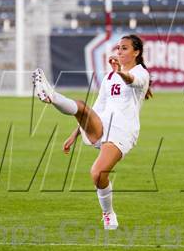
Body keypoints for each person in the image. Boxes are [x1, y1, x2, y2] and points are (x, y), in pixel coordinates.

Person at [33, 34, 152, 230]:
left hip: (123, 131)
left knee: (97, 174)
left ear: (136, 52)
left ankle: (108, 213)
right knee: (82, 106)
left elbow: (133, 81)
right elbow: (96, 110)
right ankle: (50, 96)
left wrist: (120, 72)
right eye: (118, 48)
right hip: (103, 124)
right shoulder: (109, 77)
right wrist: (76, 133)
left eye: (124, 48)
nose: (119, 52)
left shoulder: (141, 74)